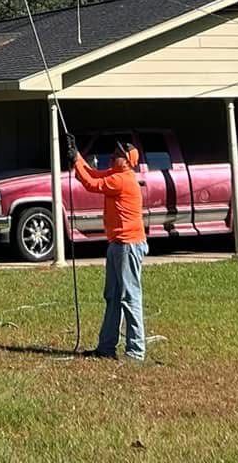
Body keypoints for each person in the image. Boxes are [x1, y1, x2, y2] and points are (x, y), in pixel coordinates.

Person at [68, 133, 149, 362]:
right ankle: (106, 348)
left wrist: (75, 161)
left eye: (118, 155)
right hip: (117, 245)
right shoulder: (116, 174)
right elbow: (93, 174)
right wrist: (78, 158)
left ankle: (135, 352)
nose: (113, 156)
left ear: (128, 160)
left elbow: (92, 184)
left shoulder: (122, 179)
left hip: (128, 246)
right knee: (113, 296)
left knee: (129, 296)